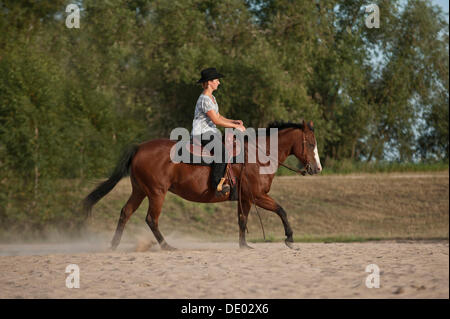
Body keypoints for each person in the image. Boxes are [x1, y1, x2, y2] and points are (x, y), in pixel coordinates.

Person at [191, 67, 246, 196]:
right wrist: (235, 127)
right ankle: (216, 185)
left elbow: (219, 116)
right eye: (217, 80)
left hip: (210, 132)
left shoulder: (212, 98)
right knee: (222, 153)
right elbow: (216, 121)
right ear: (209, 82)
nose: (219, 82)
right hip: (202, 134)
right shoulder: (204, 99)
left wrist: (234, 121)